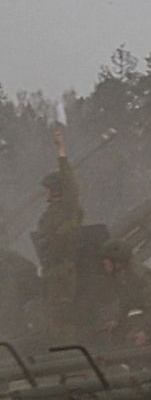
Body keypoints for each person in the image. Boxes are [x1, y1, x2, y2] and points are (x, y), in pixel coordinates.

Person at [32, 127, 85, 342]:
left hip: (63, 271)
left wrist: (61, 149)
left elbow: (69, 181)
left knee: (63, 315)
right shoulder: (51, 214)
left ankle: (68, 350)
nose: (43, 192)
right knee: (51, 315)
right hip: (51, 270)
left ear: (55, 190)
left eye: (47, 188)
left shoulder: (67, 208)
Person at [97, 240, 151, 348]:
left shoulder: (140, 276)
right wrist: (116, 320)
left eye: (106, 260)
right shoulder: (121, 276)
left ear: (117, 261)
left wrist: (145, 331)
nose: (103, 263)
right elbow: (125, 302)